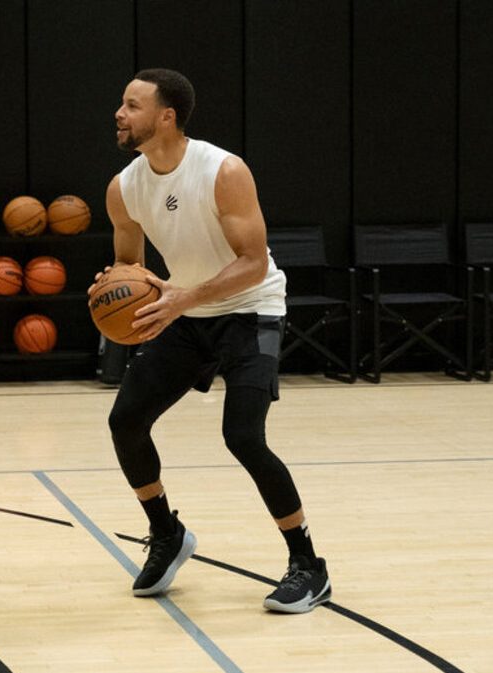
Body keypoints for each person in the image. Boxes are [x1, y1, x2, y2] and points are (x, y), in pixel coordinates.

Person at [97, 69, 331, 613]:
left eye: (132, 105)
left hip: (251, 309)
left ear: (166, 117)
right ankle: (167, 532)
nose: (119, 113)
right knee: (125, 421)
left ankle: (308, 565)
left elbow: (252, 265)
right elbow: (129, 266)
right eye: (121, 104)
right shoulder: (124, 187)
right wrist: (113, 287)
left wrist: (182, 297)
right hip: (188, 310)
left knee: (243, 436)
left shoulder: (223, 170)